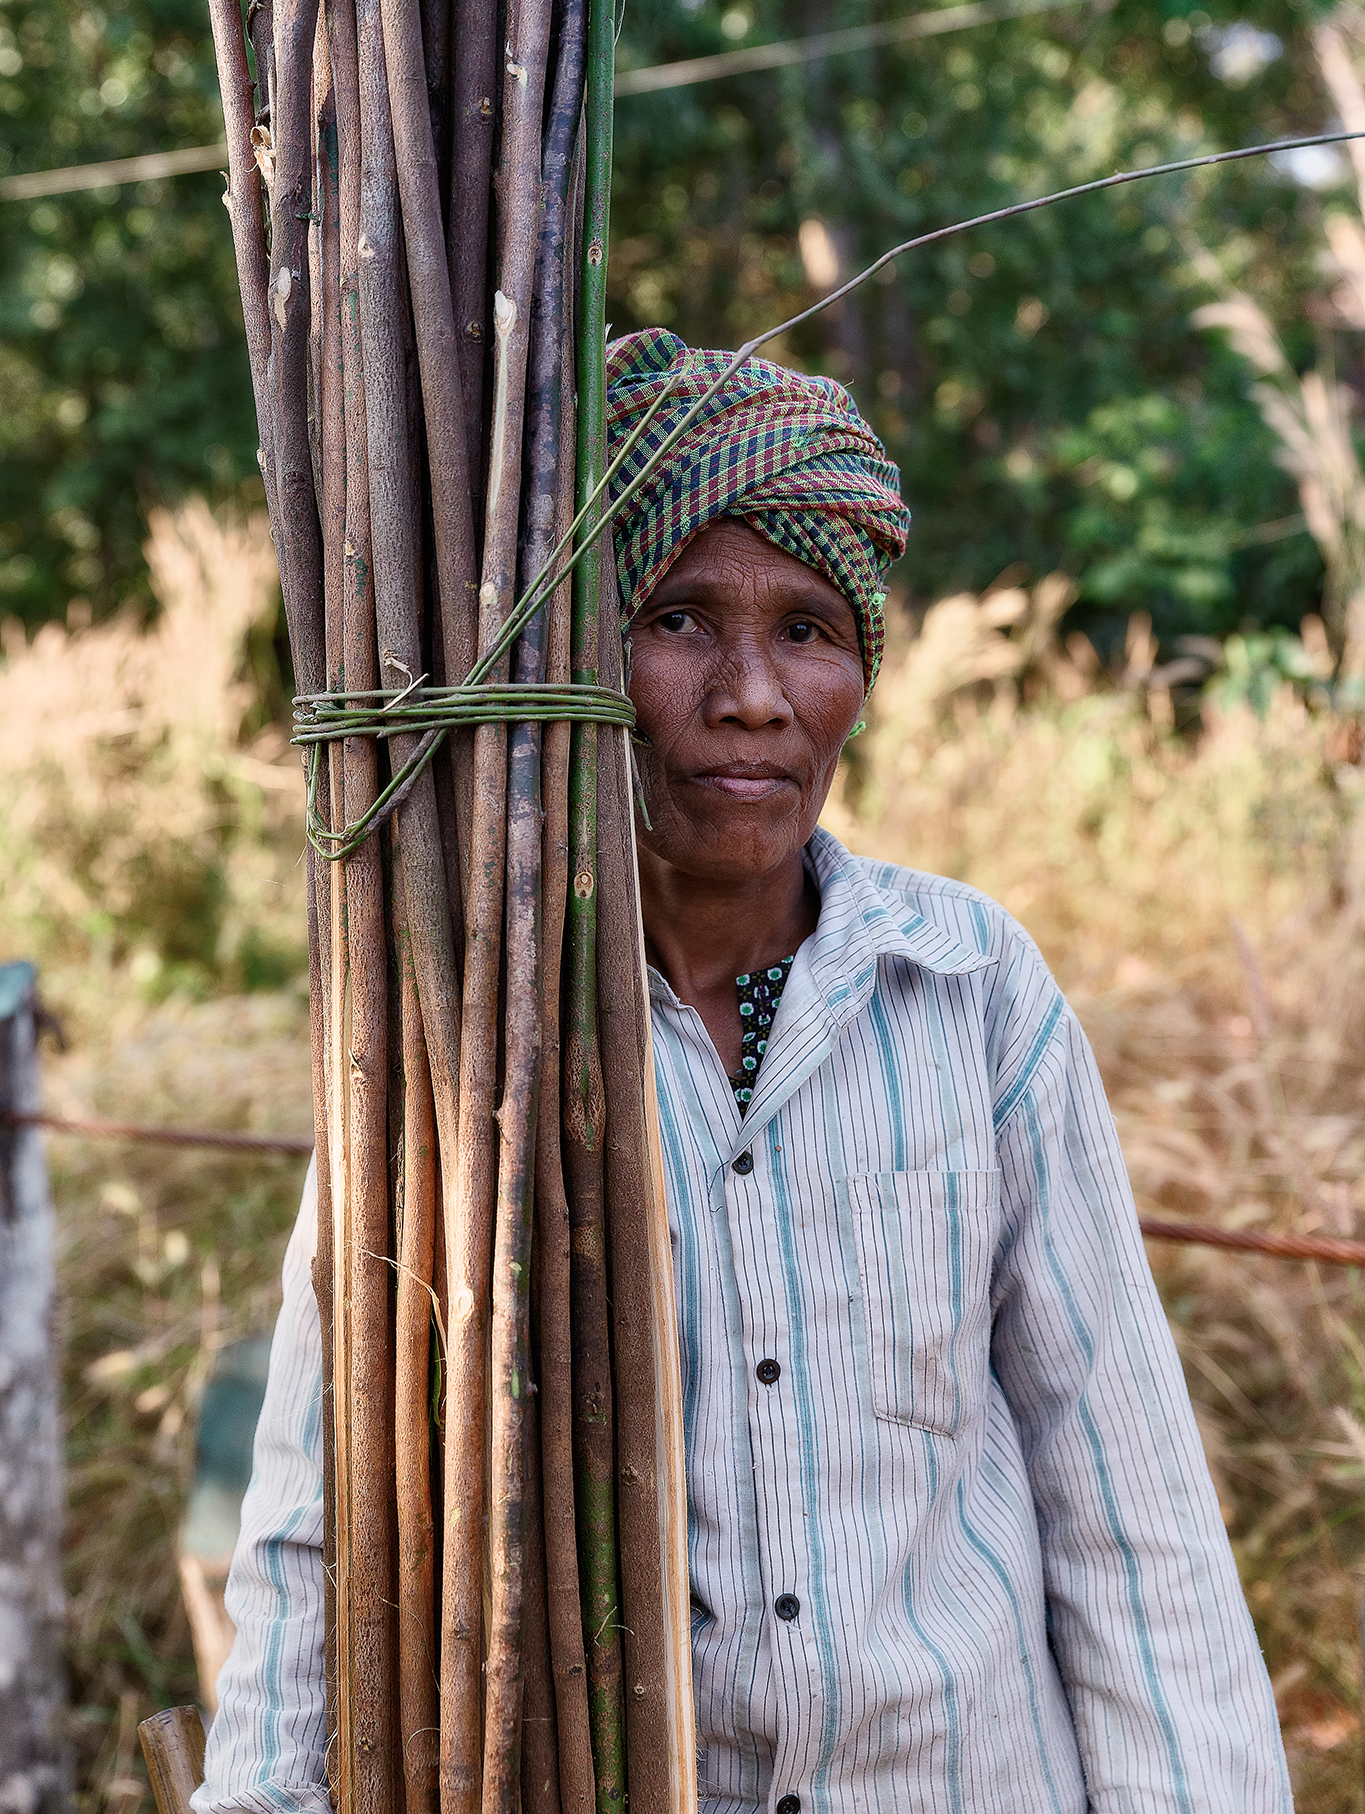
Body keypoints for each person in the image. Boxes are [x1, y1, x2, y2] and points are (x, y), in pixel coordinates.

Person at [198, 328, 1291, 1814]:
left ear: (857, 677)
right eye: (680, 618)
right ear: (584, 661)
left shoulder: (971, 994)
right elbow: (322, 1515)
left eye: (806, 631)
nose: (752, 695)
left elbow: (1125, 1494)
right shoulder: (457, 1019)